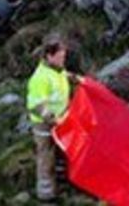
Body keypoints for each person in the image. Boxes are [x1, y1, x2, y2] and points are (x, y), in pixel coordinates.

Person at [25, 33, 85, 202]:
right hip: (45, 125)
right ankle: (46, 194)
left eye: (64, 56)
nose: (62, 60)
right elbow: (36, 105)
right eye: (60, 57)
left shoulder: (56, 69)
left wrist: (77, 79)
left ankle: (64, 181)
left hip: (61, 119)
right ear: (49, 56)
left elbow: (63, 75)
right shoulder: (40, 79)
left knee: (64, 151)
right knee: (47, 156)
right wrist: (53, 119)